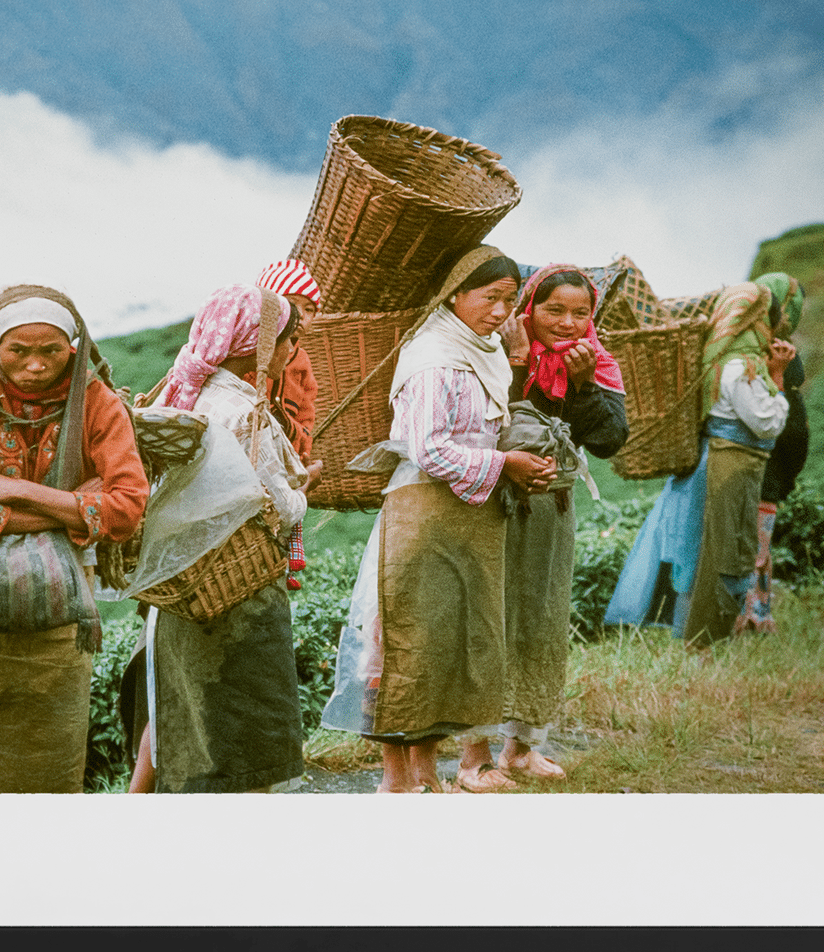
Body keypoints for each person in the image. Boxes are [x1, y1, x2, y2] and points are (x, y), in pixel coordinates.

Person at [317, 248, 556, 793]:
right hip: (423, 512)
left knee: (449, 643)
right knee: (407, 640)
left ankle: (426, 775)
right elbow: (428, 449)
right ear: (455, 295)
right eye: (490, 298)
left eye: (509, 300)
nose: (501, 312)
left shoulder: (485, 353)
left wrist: (520, 464)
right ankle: (396, 781)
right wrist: (504, 465)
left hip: (470, 514)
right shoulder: (434, 358)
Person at [0, 287, 148, 793]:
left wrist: (19, 491)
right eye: (19, 351)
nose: (36, 365)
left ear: (73, 348)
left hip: (60, 613)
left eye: (51, 351)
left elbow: (128, 508)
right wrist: (69, 506)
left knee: (49, 763)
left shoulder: (96, 403)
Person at [139, 285, 313, 794]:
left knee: (196, 722)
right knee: (246, 732)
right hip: (238, 594)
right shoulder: (242, 411)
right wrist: (304, 492)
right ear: (257, 344)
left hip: (184, 588)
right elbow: (273, 503)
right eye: (287, 340)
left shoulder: (186, 394)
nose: (291, 352)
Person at [478, 263, 629, 778]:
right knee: (489, 619)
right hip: (493, 501)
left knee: (541, 621)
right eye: (554, 309)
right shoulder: (497, 349)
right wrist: (519, 360)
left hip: (550, 509)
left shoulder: (596, 363)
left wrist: (583, 386)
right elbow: (492, 424)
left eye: (580, 313)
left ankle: (522, 747)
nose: (567, 323)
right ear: (530, 308)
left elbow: (608, 440)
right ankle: (475, 749)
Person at [604, 271, 802, 648]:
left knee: (714, 546)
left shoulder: (724, 359)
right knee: (722, 550)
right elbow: (766, 423)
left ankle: (703, 635)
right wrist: (778, 380)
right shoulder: (739, 367)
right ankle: (702, 638)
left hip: (728, 464)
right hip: (730, 465)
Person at [739, 328, 811, 633]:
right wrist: (785, 481)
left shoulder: (774, 397)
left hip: (761, 486)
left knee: (751, 553)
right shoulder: (791, 400)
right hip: (768, 489)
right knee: (759, 554)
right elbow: (798, 448)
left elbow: (792, 441)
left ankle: (750, 616)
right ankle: (760, 614)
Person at [257, 260, 322, 589]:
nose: (302, 316)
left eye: (310, 310)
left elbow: (306, 412)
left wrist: (303, 449)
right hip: (257, 456)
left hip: (287, 458)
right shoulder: (253, 350)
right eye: (293, 305)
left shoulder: (302, 361)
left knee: (278, 533)